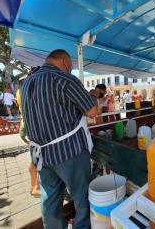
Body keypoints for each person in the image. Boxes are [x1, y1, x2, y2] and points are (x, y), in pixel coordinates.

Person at [21, 49, 98, 228]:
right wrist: (93, 95)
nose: (70, 70)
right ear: (64, 62)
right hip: (68, 151)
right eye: (70, 67)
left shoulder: (26, 83)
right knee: (82, 197)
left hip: (41, 155)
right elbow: (92, 112)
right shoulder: (65, 79)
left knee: (50, 199)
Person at [16, 67, 41, 197]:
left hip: (24, 125)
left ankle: (32, 186)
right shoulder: (33, 89)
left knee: (34, 157)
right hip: (31, 126)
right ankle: (36, 187)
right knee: (37, 157)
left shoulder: (21, 90)